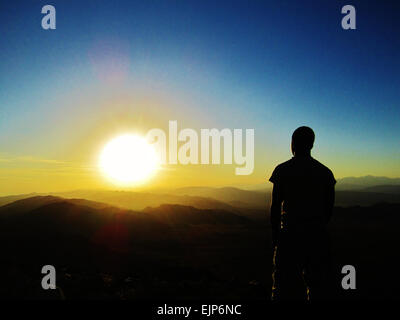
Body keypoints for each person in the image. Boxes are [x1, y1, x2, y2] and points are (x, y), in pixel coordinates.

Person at [269, 126, 336, 300]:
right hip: (317, 235)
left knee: (283, 288)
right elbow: (329, 209)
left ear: (293, 144)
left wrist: (276, 235)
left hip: (290, 235)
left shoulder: (282, 170)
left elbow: (275, 206)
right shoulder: (325, 173)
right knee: (318, 287)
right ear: (311, 145)